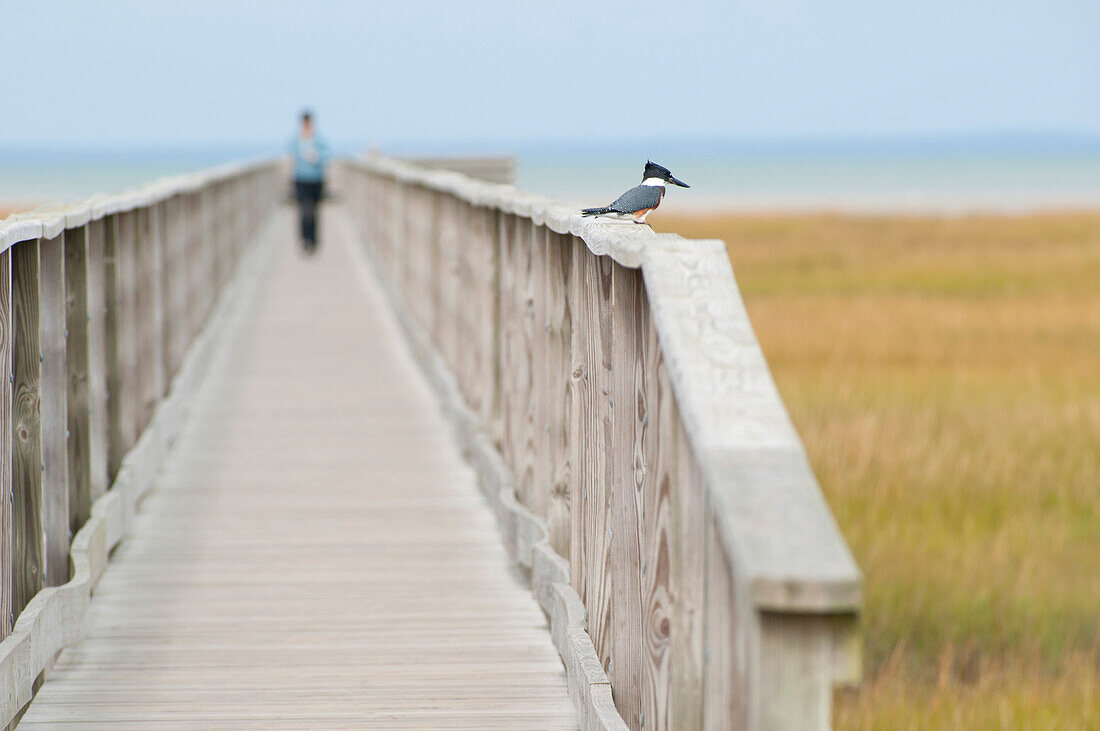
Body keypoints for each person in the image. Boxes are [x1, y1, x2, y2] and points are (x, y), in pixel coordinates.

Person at [289, 110, 330, 253]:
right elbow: (289, 150)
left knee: (314, 210)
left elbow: (329, 153)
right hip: (300, 178)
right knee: (304, 209)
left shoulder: (318, 137)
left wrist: (317, 157)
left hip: (316, 178)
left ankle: (313, 239)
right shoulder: (296, 137)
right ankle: (305, 239)